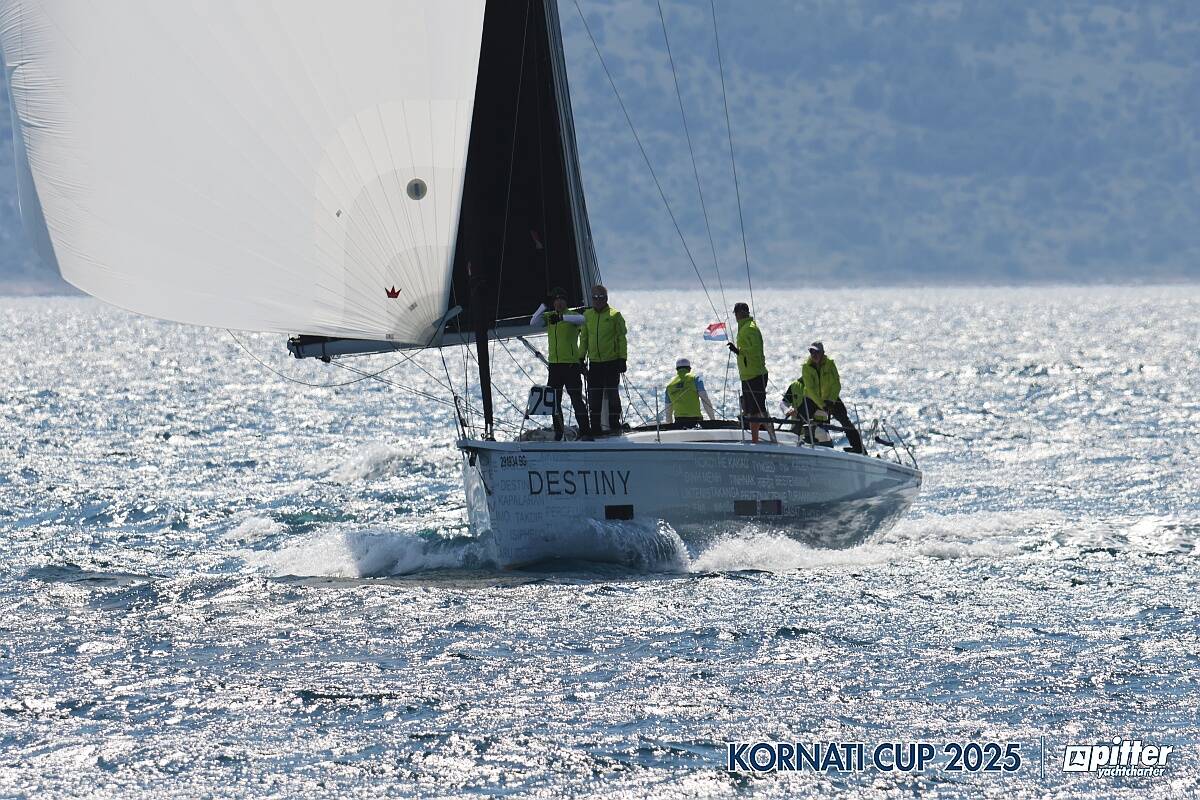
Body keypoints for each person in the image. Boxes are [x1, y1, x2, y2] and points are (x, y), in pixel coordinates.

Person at [530, 287, 592, 441]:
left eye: (562, 299)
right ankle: (559, 432)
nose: (559, 302)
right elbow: (533, 322)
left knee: (576, 399)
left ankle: (586, 432)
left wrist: (563, 318)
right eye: (556, 300)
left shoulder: (572, 316)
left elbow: (583, 320)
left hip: (571, 366)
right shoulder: (549, 316)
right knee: (554, 402)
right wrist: (544, 305)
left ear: (566, 301)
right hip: (555, 367)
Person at [800, 341, 865, 454]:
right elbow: (810, 389)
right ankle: (798, 442)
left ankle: (858, 448)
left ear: (823, 353)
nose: (814, 354)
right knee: (801, 418)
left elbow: (836, 384)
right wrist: (822, 405)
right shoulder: (806, 366)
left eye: (816, 352)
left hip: (830, 398)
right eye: (811, 351)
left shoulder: (830, 364)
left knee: (845, 420)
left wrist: (831, 400)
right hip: (813, 398)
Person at [580, 284, 627, 435]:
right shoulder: (587, 315)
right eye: (595, 297)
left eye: (600, 297)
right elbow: (584, 338)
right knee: (594, 396)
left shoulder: (615, 315)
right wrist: (581, 358)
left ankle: (614, 424)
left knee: (613, 394)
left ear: (606, 298)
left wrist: (622, 358)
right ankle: (595, 427)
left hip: (611, 361)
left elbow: (621, 339)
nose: (597, 300)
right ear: (591, 299)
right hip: (595, 363)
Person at [727, 302, 777, 443]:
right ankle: (755, 440)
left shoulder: (750, 328)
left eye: (736, 313)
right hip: (748, 375)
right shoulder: (743, 328)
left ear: (743, 312)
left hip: (756, 374)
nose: (736, 316)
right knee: (751, 412)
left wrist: (738, 351)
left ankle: (773, 438)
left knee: (759, 410)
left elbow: (754, 349)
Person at [663, 358, 716, 427]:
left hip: (679, 422)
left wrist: (669, 425)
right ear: (689, 369)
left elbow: (668, 410)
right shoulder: (695, 378)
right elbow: (705, 399)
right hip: (696, 420)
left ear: (677, 369)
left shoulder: (669, 385)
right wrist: (713, 420)